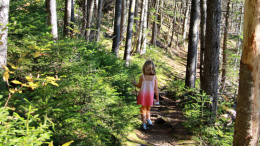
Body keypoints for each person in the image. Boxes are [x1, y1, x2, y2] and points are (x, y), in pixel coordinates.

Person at [132, 60, 159, 130]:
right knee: (148, 109)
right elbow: (156, 89)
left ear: (144, 68)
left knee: (143, 110)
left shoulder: (142, 77)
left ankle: (144, 123)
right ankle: (149, 120)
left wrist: (134, 83)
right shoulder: (154, 78)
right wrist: (157, 98)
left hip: (142, 95)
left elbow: (139, 86)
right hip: (150, 96)